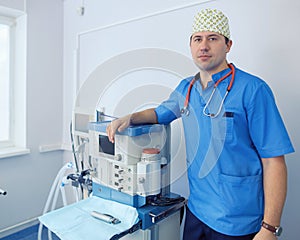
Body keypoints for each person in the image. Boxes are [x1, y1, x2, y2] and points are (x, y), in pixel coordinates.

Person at [106, 8, 294, 240]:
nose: (203, 46)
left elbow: (274, 161)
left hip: (238, 221)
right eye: (198, 39)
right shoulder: (187, 89)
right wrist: (129, 118)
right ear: (191, 46)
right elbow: (159, 113)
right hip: (196, 212)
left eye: (212, 38)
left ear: (228, 45)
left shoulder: (253, 90)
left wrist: (270, 228)